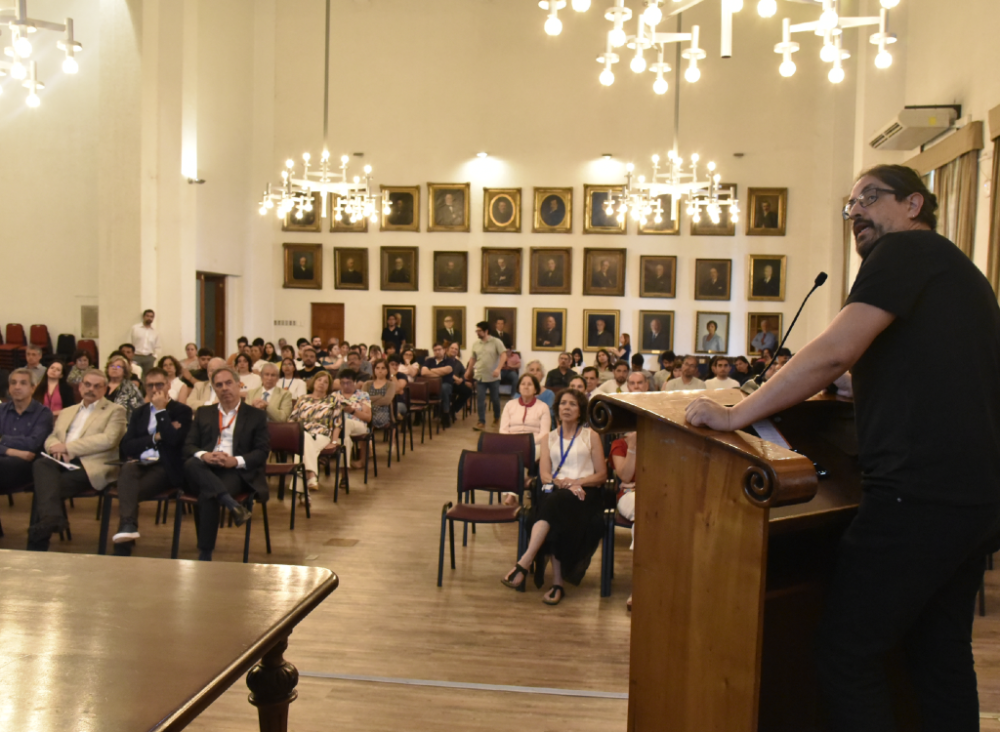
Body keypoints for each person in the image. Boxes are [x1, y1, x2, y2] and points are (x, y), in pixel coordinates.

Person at [687, 164, 1000, 732]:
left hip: (917, 495)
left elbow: (834, 351)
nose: (856, 212)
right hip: (972, 498)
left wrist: (734, 414)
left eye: (869, 198)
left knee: (846, 653)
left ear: (913, 204)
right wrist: (860, 385)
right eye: (850, 205)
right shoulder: (951, 266)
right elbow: (929, 371)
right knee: (939, 653)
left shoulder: (904, 251)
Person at [501, 389, 608, 605]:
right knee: (551, 508)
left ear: (580, 411)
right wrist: (561, 483)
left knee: (551, 507)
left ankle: (525, 562)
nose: (567, 407)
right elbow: (544, 475)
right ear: (557, 409)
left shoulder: (591, 436)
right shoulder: (548, 438)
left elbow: (602, 475)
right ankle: (556, 583)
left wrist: (577, 482)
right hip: (557, 491)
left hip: (585, 493)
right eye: (563, 403)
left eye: (572, 404)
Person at [28, 368, 127, 550]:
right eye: (87, 384)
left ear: (105, 389)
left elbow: (109, 439)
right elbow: (53, 436)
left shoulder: (115, 411)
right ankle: (52, 519)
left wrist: (69, 448)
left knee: (46, 488)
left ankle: (37, 546)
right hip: (61, 461)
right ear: (80, 386)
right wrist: (55, 447)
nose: (91, 389)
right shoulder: (67, 411)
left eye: (97, 386)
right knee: (41, 464)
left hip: (91, 465)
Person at [183, 366, 269, 561]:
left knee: (209, 493)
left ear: (239, 385)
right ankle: (231, 504)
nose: (224, 388)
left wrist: (235, 461)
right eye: (219, 385)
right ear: (214, 388)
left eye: (228, 383)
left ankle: (205, 553)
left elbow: (262, 452)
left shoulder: (255, 415)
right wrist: (205, 455)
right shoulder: (204, 412)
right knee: (191, 463)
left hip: (235, 472)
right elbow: (188, 446)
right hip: (204, 467)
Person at [111, 367, 193, 555]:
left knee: (127, 490)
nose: (155, 389)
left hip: (166, 467)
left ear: (169, 385)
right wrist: (155, 437)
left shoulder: (182, 411)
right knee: (127, 469)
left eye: (159, 385)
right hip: (140, 464)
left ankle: (125, 534)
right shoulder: (139, 413)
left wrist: (162, 411)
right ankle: (127, 527)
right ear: (144, 387)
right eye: (150, 385)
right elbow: (127, 446)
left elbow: (174, 441)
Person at [0, 369, 53, 495]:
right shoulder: (1, 410)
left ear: (33, 388)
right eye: (13, 383)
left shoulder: (43, 413)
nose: (17, 387)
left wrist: (2, 439)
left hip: (27, 466)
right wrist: (12, 451)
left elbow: (32, 444)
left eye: (23, 383)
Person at [288, 371, 339, 490]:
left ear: (328, 386)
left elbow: (338, 423)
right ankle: (311, 478)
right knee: (304, 438)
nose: (321, 383)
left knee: (302, 447)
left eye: (325, 382)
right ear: (313, 382)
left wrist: (334, 442)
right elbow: (291, 420)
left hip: (322, 435)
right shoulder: (302, 399)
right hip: (302, 434)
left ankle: (302, 487)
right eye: (319, 380)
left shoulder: (333, 400)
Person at [609, 430, 638, 611]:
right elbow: (625, 476)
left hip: (657, 492)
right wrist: (633, 446)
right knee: (644, 516)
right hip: (629, 495)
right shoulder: (620, 444)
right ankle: (640, 585)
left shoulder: (660, 441)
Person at [466, 321, 507, 431]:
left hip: (493, 377)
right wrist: (469, 370)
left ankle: (497, 417)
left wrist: (498, 368)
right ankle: (481, 422)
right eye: (476, 331)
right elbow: (473, 358)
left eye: (479, 331)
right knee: (480, 399)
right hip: (480, 376)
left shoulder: (496, 342)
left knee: (495, 399)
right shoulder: (476, 344)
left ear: (486, 331)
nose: (477, 333)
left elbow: (504, 355)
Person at [332, 369, 372, 469]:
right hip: (338, 427)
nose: (345, 386)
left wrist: (353, 411)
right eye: (343, 383)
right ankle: (344, 468)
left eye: (348, 383)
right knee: (346, 438)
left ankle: (335, 449)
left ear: (354, 382)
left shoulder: (363, 395)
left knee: (346, 423)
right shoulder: (334, 396)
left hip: (358, 425)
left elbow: (368, 418)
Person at [500, 373, 551, 452]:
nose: (526, 387)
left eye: (529, 384)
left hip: (534, 445)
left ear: (535, 389)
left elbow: (545, 434)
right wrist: (513, 442)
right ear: (519, 388)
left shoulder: (543, 407)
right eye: (523, 384)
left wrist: (527, 443)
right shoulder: (509, 405)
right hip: (511, 443)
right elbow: (503, 430)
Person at [422, 343, 457, 427]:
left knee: (444, 388)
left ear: (444, 350)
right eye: (435, 350)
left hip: (446, 384)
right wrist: (440, 373)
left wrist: (430, 370)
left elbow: (448, 370)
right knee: (420, 388)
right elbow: (423, 372)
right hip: (430, 385)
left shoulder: (449, 361)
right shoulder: (429, 360)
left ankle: (445, 414)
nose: (437, 352)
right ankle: (418, 416)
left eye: (439, 349)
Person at [105, 354, 145, 422]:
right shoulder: (101, 385)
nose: (114, 368)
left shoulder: (130, 387)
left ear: (124, 371)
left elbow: (139, 407)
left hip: (122, 422)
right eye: (112, 365)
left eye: (118, 366)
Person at [365, 359, 399, 431]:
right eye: (377, 368)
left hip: (383, 411)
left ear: (387, 370)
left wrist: (369, 400)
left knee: (375, 419)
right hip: (367, 410)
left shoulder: (390, 384)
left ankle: (369, 435)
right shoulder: (367, 384)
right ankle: (368, 436)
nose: (380, 371)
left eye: (383, 368)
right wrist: (379, 396)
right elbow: (363, 399)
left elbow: (386, 401)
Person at [129, 309, 160, 375]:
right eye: (147, 316)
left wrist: (154, 357)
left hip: (149, 358)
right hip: (136, 356)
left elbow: (158, 346)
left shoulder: (155, 332)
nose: (149, 318)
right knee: (135, 374)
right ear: (143, 317)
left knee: (148, 376)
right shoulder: (135, 328)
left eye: (151, 317)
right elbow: (129, 342)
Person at [445, 343, 472, 417]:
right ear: (448, 349)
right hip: (445, 383)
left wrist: (461, 379)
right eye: (452, 348)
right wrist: (456, 378)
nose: (454, 350)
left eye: (456, 349)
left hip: (455, 384)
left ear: (457, 352)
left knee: (468, 391)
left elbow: (464, 373)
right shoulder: (444, 360)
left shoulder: (458, 363)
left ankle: (452, 410)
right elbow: (445, 372)